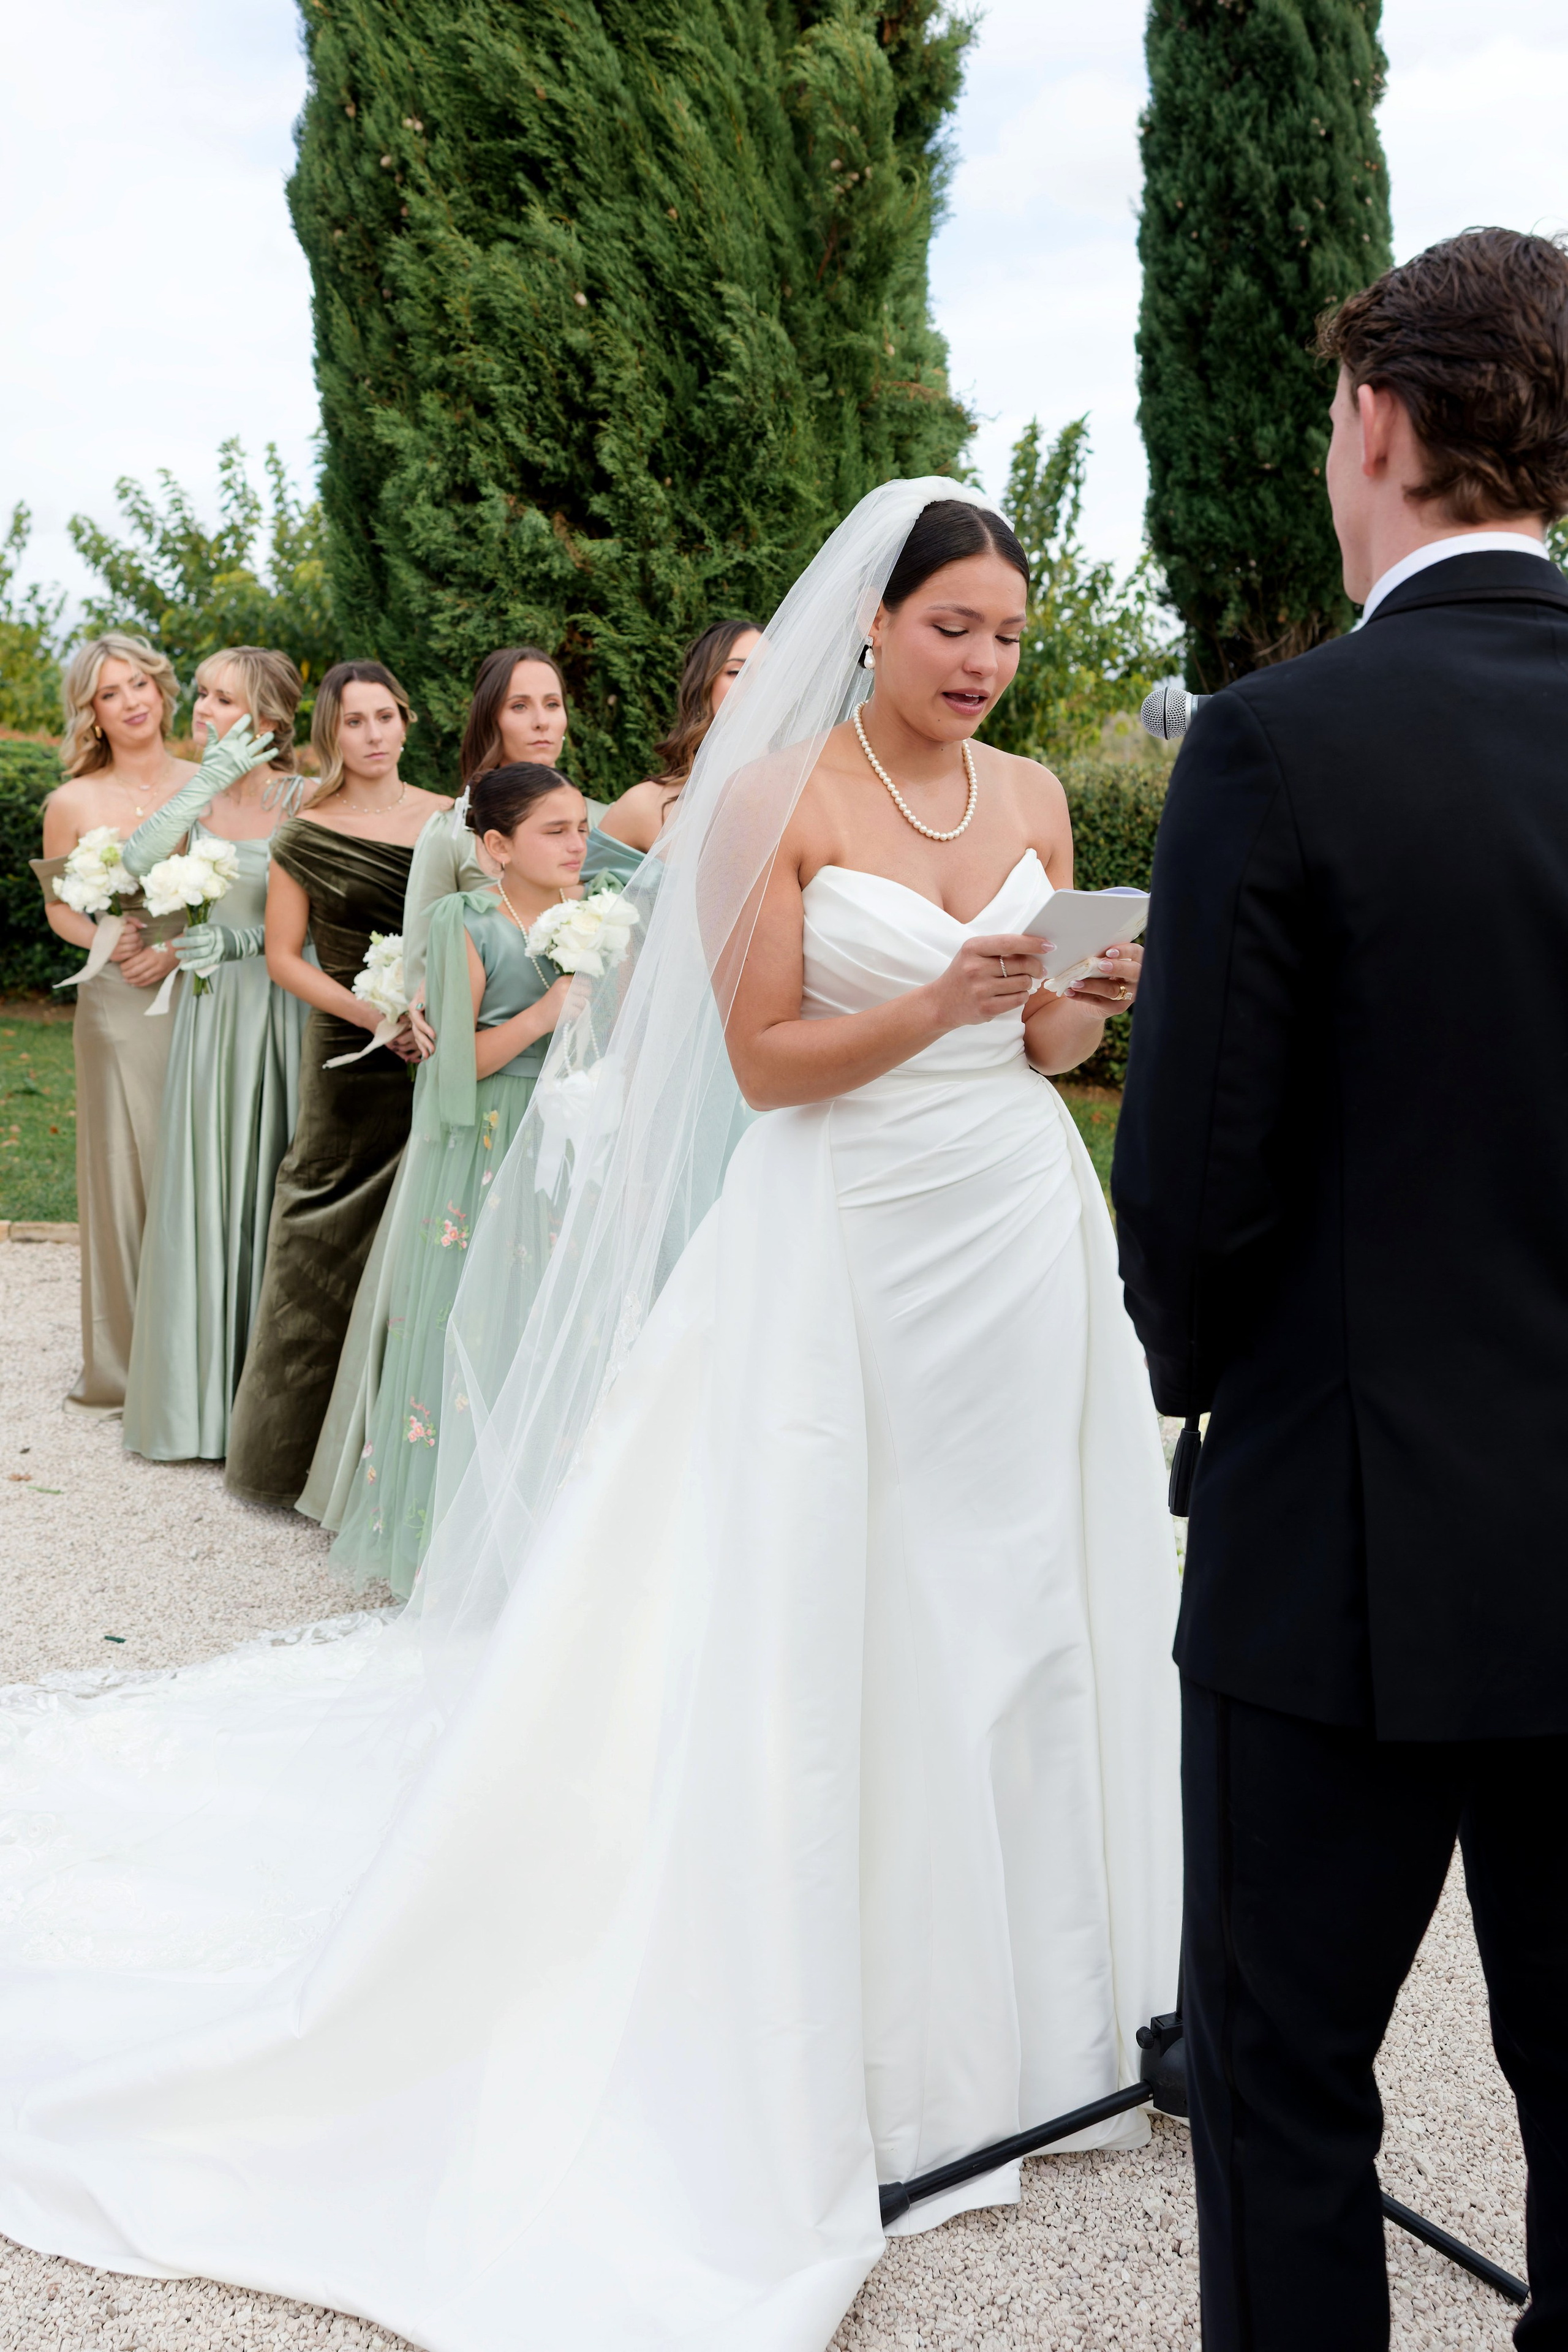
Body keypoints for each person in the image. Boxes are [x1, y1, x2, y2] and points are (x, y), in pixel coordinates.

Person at [0, 480, 1180, 2351]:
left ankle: (1040, 2002)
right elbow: (766, 1063)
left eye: (1009, 637)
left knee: (1021, 1585)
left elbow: (1049, 1047)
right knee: (838, 1589)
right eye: (953, 626)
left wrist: (1074, 1002)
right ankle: (839, 1995)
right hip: (845, 1236)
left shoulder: (1035, 797)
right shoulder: (774, 798)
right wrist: (939, 1000)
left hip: (1015, 1231)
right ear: (873, 623)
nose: (983, 662)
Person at [1112, 227, 1568, 2350]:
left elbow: (1192, 1184)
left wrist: (1213, 1385)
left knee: (1283, 2078)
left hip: (1342, 1535)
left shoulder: (1276, 742)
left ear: (1373, 420)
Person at [297, 643, 582, 1532]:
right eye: (522, 705)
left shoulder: (580, 821)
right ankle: (430, 1486)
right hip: (477, 1086)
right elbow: (423, 955)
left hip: (570, 1098)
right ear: (490, 717)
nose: (541, 720)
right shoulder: (452, 830)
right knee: (448, 1284)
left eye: (552, 703)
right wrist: (420, 1017)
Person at [224, 661, 450, 1510]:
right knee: (318, 1232)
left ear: (406, 721)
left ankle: (396, 1461)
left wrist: (440, 1012)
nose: (373, 734)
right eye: (354, 722)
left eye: (385, 716)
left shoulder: (452, 817)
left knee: (431, 1230)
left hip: (444, 1044)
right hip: (351, 1049)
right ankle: (283, 1460)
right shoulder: (305, 832)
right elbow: (287, 958)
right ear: (331, 734)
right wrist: (377, 1016)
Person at [121, 649, 312, 1462]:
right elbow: (134, 866)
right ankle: (194, 1409)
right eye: (200, 695)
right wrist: (205, 783)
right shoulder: (193, 804)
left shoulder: (306, 800)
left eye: (222, 699)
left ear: (268, 719)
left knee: (275, 1187)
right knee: (206, 1194)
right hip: (210, 1023)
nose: (202, 709)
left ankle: (268, 1410)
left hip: (285, 1013)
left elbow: (338, 920)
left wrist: (247, 942)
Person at [40, 636, 195, 1412]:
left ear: (162, 690)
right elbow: (59, 907)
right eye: (110, 693)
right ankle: (126, 1365)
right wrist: (112, 940)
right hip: (115, 996)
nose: (132, 701)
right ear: (92, 714)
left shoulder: (207, 785)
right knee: (122, 1170)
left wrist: (176, 949)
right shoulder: (71, 803)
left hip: (200, 987)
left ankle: (200, 1357)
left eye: (139, 683)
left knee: (199, 1162)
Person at [595, 612, 761, 854]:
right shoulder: (643, 806)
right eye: (736, 672)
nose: (759, 685)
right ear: (702, 686)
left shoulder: (804, 796)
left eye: (771, 673)